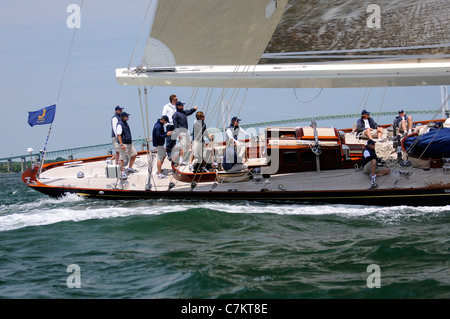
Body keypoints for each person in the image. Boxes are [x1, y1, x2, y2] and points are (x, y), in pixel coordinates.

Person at [172, 100, 197, 165]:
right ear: (178, 106)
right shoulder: (175, 114)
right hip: (181, 132)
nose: (183, 106)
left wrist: (194, 109)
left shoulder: (183, 112)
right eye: (181, 105)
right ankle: (180, 160)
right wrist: (178, 133)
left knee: (188, 146)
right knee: (183, 146)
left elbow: (189, 112)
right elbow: (175, 124)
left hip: (186, 131)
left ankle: (185, 159)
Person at [116, 112, 138, 178]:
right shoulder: (120, 124)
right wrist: (121, 144)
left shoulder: (125, 123)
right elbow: (119, 135)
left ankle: (130, 168)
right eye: (126, 116)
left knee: (134, 154)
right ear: (123, 117)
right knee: (122, 158)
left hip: (130, 143)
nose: (128, 117)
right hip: (124, 144)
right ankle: (122, 172)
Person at [162, 94, 178, 161]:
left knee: (174, 140)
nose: (177, 100)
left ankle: (173, 153)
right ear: (172, 100)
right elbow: (163, 115)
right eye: (176, 99)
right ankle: (169, 153)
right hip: (169, 125)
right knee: (169, 140)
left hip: (175, 125)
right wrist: (166, 124)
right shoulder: (166, 106)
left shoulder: (177, 107)